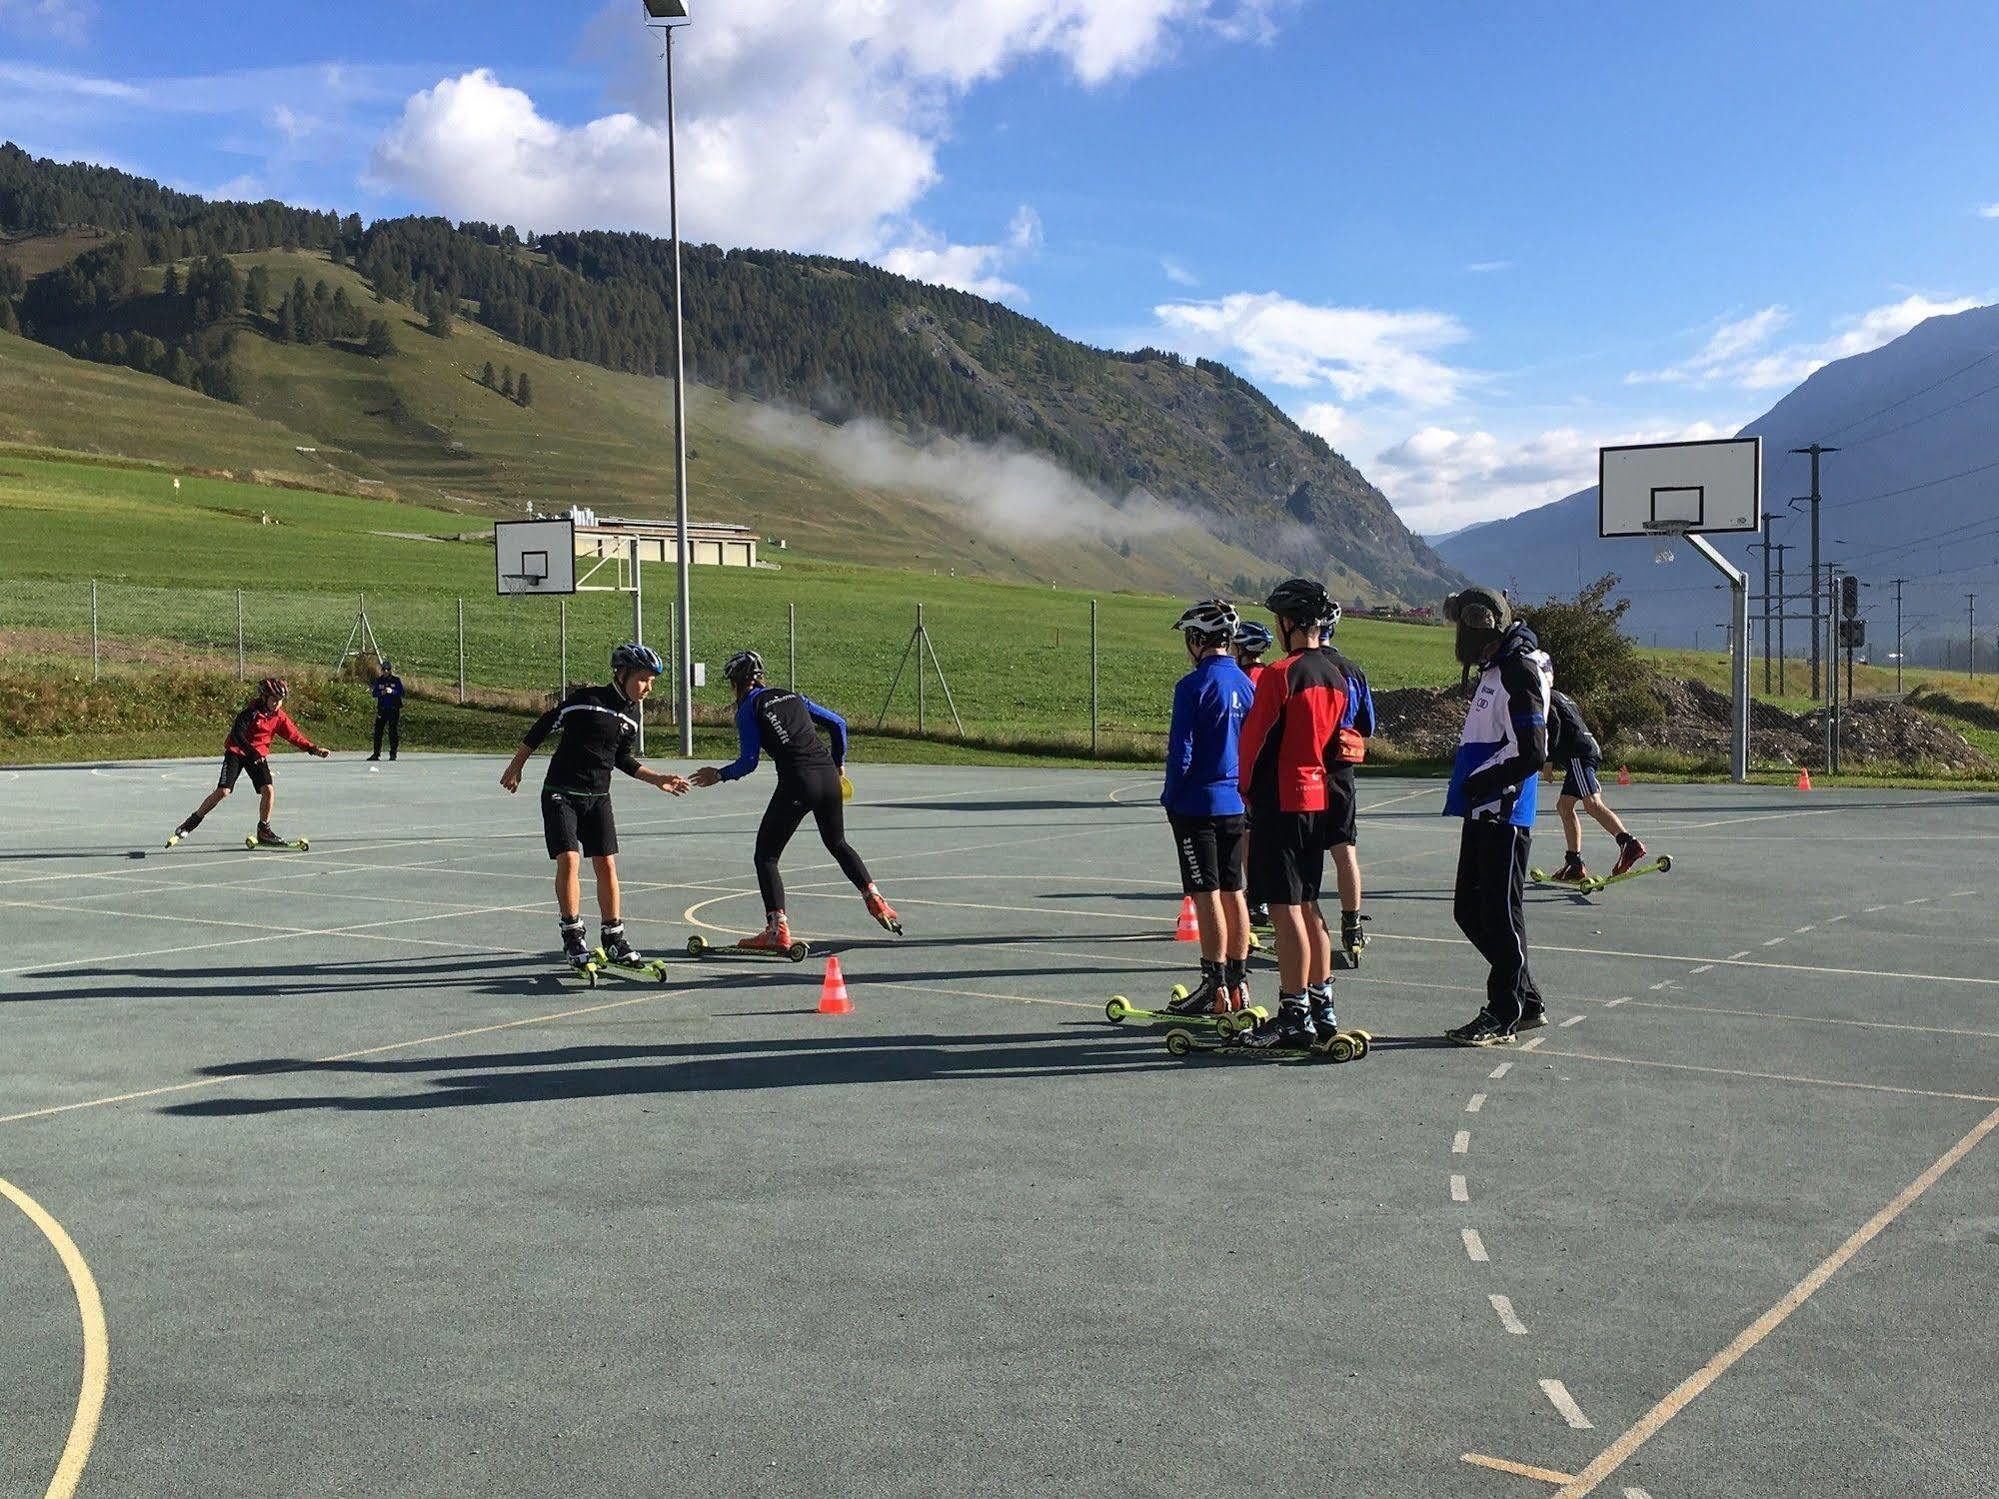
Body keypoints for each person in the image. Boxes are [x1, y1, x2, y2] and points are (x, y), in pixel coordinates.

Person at [691, 650, 900, 950]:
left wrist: (719, 775)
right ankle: (874, 897)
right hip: (828, 778)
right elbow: (838, 724)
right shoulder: (793, 697)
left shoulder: (749, 708)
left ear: (738, 683)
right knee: (837, 843)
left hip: (798, 782)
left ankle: (777, 929)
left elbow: (749, 762)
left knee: (766, 856)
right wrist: (838, 762)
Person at [499, 643, 690, 971]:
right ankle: (573, 935)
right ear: (623, 673)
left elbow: (620, 759)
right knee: (570, 860)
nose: (648, 688)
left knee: (606, 865)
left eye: (652, 682)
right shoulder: (587, 700)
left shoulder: (630, 716)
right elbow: (545, 723)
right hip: (561, 792)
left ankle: (614, 938)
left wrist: (657, 778)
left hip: (598, 798)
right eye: (643, 679)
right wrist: (517, 765)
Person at [1235, 578, 1351, 1048]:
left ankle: (1293, 1012)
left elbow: (1253, 743)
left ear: (1286, 624)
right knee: (1309, 907)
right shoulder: (1337, 675)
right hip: (1319, 799)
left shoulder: (1282, 674)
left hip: (1280, 802)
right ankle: (1322, 1005)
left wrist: (1244, 793)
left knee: (1285, 914)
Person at [1440, 586, 1554, 1046]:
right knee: (1468, 911)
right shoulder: (1496, 666)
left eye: (1459, 626)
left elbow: (1533, 751)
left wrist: (1480, 781)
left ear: (1478, 624)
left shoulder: (1518, 669)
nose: (1455, 637)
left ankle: (1504, 1011)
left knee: (1501, 915)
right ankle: (1525, 999)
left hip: (1503, 811)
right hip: (1483, 807)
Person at [1160, 599, 1257, 1015]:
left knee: (1206, 894)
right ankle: (1239, 984)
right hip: (1236, 803)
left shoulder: (1192, 687)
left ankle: (1214, 987)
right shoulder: (1248, 684)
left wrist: (1170, 797)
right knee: (1236, 892)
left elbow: (1181, 754)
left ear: (1198, 640)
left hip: (1197, 804)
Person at [167, 677, 330, 848]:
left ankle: (264, 830)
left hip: (257, 756)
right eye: (273, 699)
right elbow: (237, 735)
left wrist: (314, 749)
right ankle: (191, 822)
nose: (277, 704)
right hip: (237, 752)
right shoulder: (250, 713)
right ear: (264, 697)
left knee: (268, 790)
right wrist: (252, 753)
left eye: (280, 700)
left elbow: (293, 736)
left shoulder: (279, 717)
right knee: (223, 791)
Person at [1317, 599, 1377, 963]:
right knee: (1345, 851)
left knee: (1303, 852)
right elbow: (1367, 724)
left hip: (1306, 767)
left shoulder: (1296, 667)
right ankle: (1352, 925)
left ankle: (1303, 926)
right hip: (1341, 770)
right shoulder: (1352, 670)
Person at [1545, 689, 1646, 883]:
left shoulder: (1544, 695)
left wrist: (1548, 760)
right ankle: (1574, 862)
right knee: (1564, 806)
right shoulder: (1562, 695)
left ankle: (1628, 843)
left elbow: (1554, 722)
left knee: (1592, 803)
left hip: (1578, 754)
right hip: (1585, 749)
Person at [1233, 619, 1276, 928]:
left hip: (1249, 768)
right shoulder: (1274, 675)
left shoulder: (1241, 678)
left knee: (1249, 838)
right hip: (1278, 770)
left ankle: (1257, 897)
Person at [368, 658, 405, 762]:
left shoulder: (396, 680)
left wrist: (392, 691)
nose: (385, 671)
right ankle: (376, 754)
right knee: (378, 732)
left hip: (393, 709)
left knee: (393, 731)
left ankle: (393, 754)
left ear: (390, 670)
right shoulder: (379, 680)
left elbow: (402, 693)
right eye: (383, 669)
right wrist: (382, 693)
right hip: (382, 709)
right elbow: (374, 694)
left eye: (387, 669)